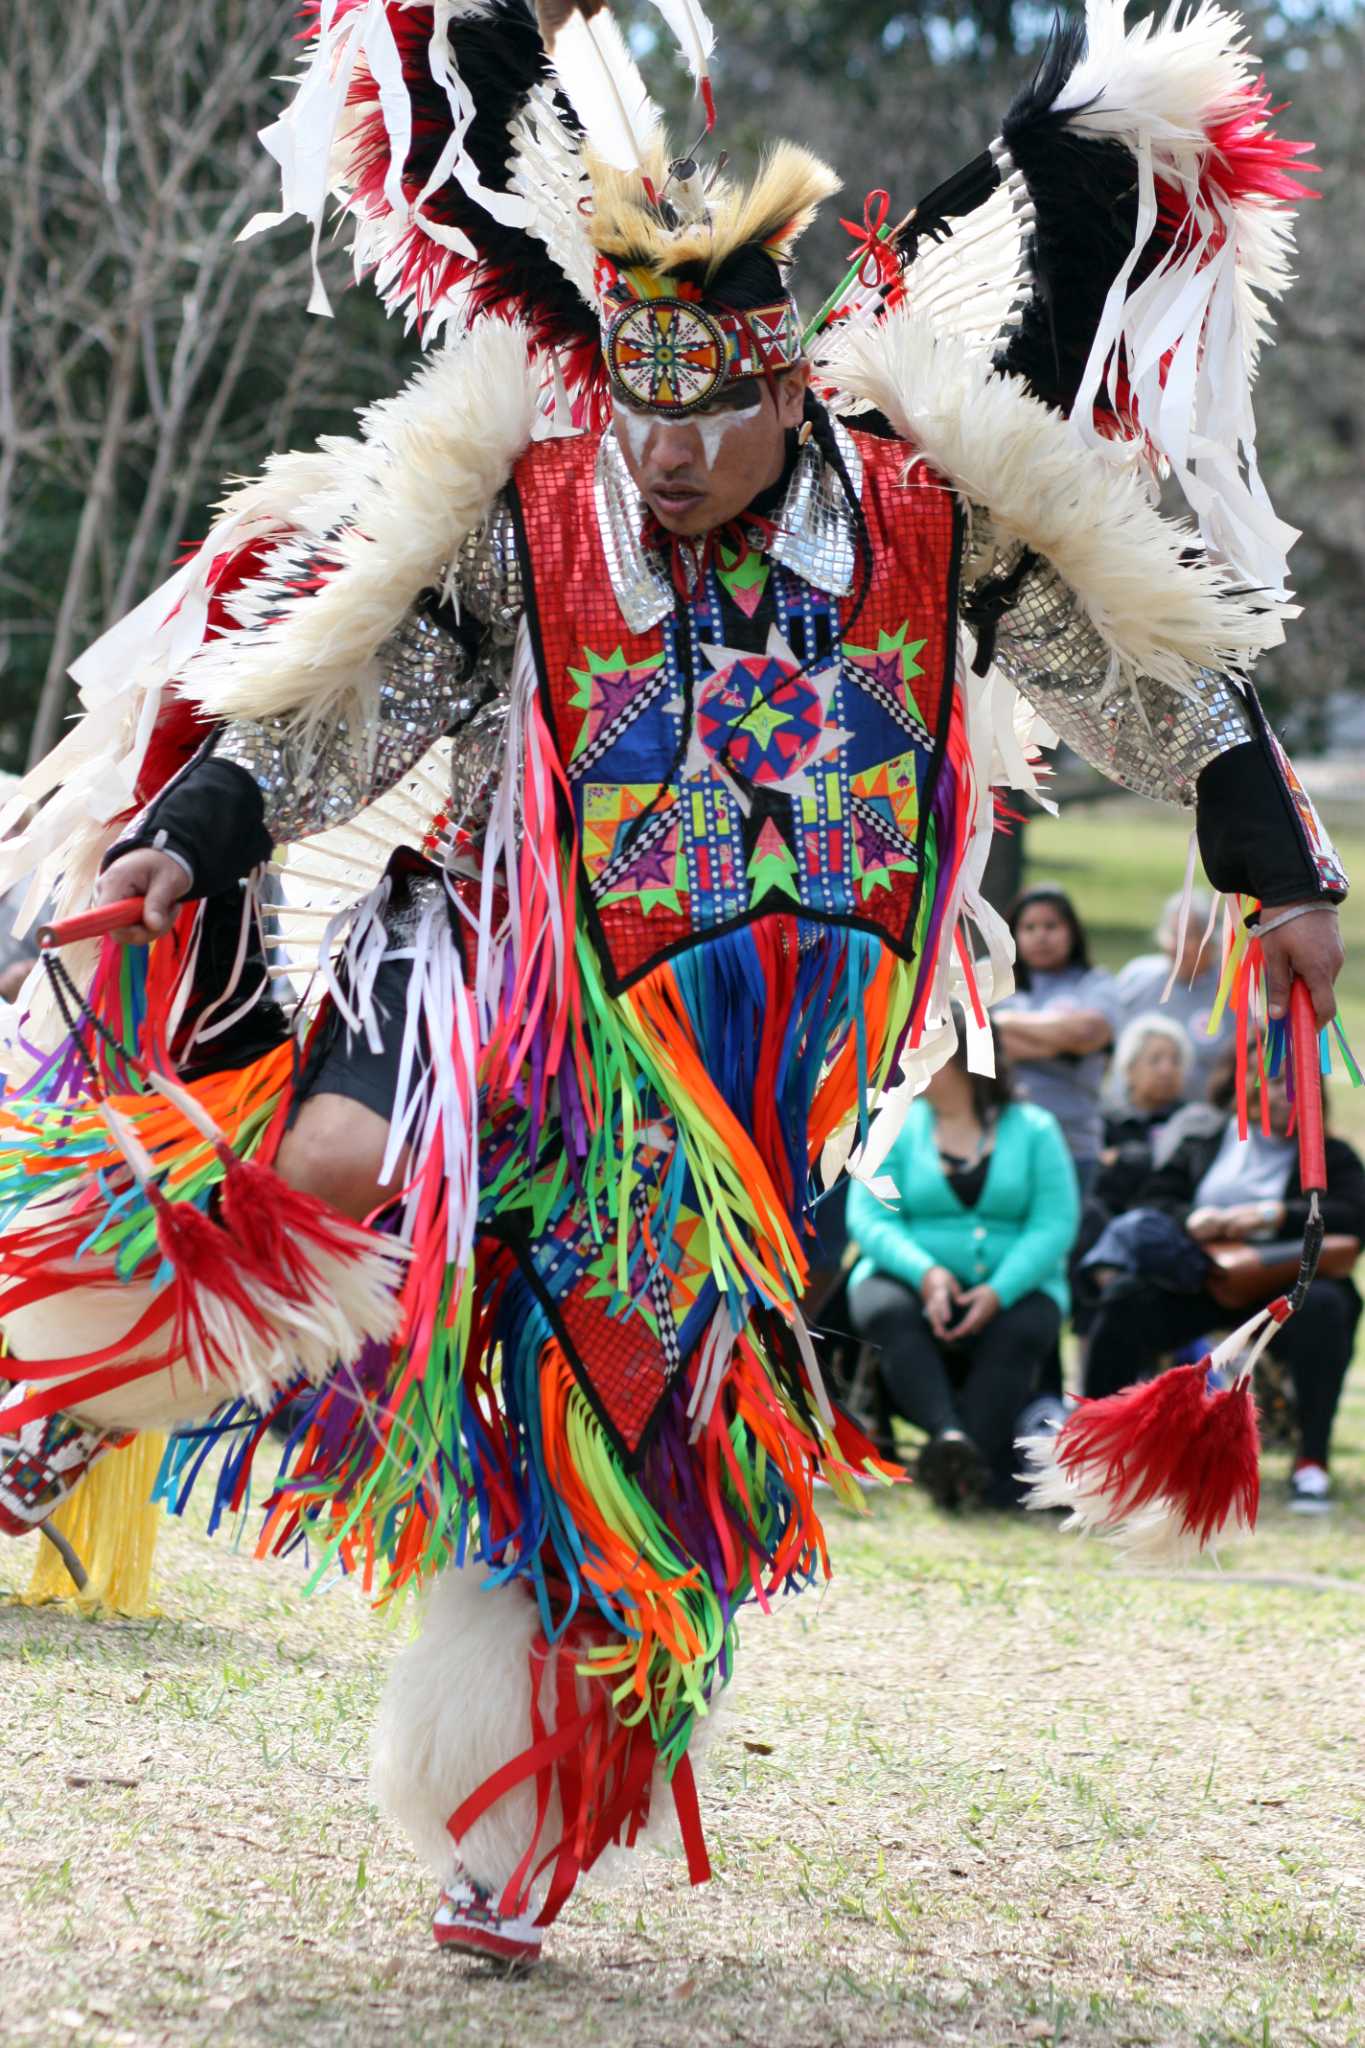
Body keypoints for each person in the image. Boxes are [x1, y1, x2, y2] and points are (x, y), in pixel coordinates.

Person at [0, 0, 1348, 1962]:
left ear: (788, 388)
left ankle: (513, 1816)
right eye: (638, 416)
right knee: (346, 1150)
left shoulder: (917, 512)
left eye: (708, 417)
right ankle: (76, 1379)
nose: (668, 459)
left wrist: (1263, 845)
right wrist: (190, 828)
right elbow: (359, 690)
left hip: (722, 1097)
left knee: (621, 1440)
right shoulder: (541, 517)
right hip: (501, 969)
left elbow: (1127, 662)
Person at [1085, 1068, 1365, 1513]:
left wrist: (1271, 1215)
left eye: (1298, 1085)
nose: (1287, 1093)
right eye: (1276, 1082)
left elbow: (1353, 1215)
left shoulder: (1331, 1155)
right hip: (1205, 1275)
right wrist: (1193, 1219)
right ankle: (1100, 1445)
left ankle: (1312, 1459)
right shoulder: (1206, 1139)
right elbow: (1154, 1202)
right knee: (1125, 1301)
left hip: (1283, 1282)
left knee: (1328, 1308)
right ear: (1249, 1090)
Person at [847, 1022, 1079, 1507]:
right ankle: (950, 1436)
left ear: (965, 1060)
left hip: (1018, 1285)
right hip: (907, 1280)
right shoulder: (892, 1124)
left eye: (923, 1054)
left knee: (1025, 1325)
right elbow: (869, 1219)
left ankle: (956, 1460)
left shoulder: (1035, 1128)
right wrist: (926, 1273)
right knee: (884, 1308)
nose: (907, 1067)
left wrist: (1001, 1289)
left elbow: (1055, 1223)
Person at [994, 886, 1123, 1192]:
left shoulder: (1096, 983)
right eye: (1029, 927)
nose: (1041, 936)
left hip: (1074, 1144)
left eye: (1051, 926)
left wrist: (1006, 1022)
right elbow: (980, 1043)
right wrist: (1061, 1043)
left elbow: (1088, 1033)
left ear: (1072, 932)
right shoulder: (992, 982)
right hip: (1003, 1143)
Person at [1113, 888, 1235, 1100]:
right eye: (1173, 934)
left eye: (1189, 936)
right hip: (1129, 1114)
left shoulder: (1231, 993)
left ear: (1213, 940)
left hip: (1200, 1119)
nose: (1177, 946)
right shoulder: (1137, 978)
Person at [1095, 1013, 1194, 1214]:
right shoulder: (1105, 1120)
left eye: (1176, 1061)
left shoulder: (1194, 1122)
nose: (1167, 1070)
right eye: (1155, 1060)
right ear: (1129, 1069)